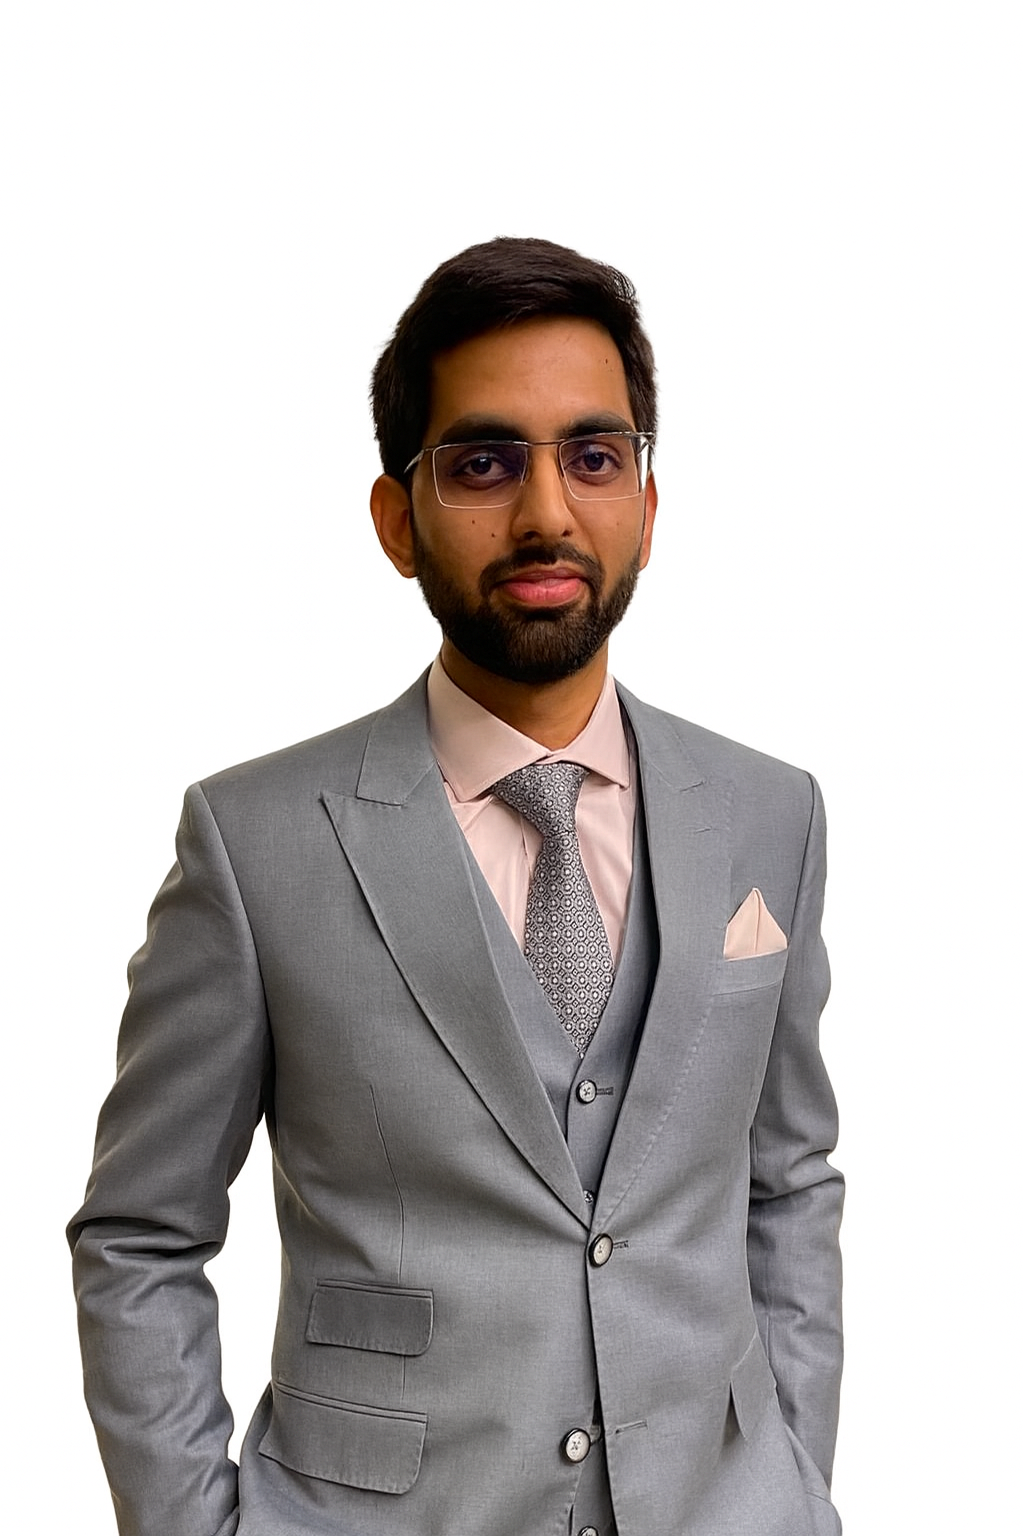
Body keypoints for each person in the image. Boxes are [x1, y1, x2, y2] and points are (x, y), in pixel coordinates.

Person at [69, 237, 844, 1536]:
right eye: (485, 462)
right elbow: (142, 1236)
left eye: (595, 457)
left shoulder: (774, 815)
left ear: (648, 503)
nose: (547, 510)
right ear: (396, 519)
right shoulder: (255, 844)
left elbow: (787, 1179)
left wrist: (794, 1483)